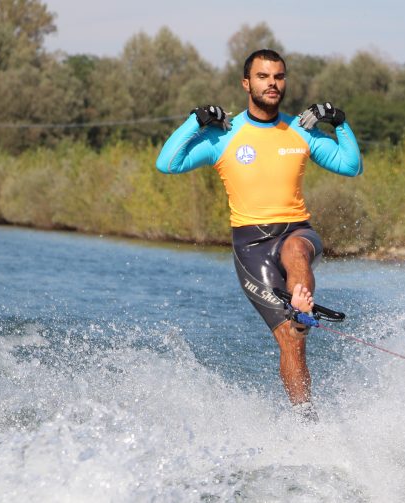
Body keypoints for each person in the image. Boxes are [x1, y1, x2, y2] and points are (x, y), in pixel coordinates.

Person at [155, 49, 362, 421]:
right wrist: (194, 122)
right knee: (292, 341)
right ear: (247, 83)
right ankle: (306, 423)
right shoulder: (224, 137)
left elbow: (350, 166)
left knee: (297, 249)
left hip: (297, 229)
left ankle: (302, 302)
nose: (273, 84)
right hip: (251, 246)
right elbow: (167, 163)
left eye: (279, 77)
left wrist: (340, 123)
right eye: (264, 77)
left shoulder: (299, 131)